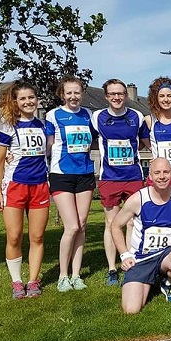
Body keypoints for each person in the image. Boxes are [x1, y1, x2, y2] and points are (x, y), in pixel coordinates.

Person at [110, 158, 171, 314]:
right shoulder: (137, 199)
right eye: (157, 173)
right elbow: (115, 225)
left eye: (166, 172)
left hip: (167, 254)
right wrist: (125, 255)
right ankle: (147, 278)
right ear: (150, 176)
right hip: (141, 258)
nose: (162, 176)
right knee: (131, 310)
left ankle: (168, 282)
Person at [90, 78, 150, 286]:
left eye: (120, 94)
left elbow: (147, 143)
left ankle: (130, 261)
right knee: (111, 223)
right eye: (112, 94)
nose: (117, 97)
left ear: (125, 95)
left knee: (133, 222)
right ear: (106, 96)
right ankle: (112, 268)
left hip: (133, 176)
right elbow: (86, 143)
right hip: (109, 177)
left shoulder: (137, 116)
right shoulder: (97, 117)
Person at [0, 80, 49, 299]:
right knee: (14, 236)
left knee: (37, 236)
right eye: (23, 98)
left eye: (31, 97)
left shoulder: (43, 125)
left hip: (39, 186)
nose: (28, 101)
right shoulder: (8, 125)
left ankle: (33, 281)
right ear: (15, 102)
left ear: (37, 99)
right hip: (14, 186)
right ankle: (17, 282)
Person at [45, 76, 97, 292]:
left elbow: (96, 140)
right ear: (62, 94)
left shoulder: (88, 115)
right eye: (69, 93)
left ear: (82, 94)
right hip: (62, 173)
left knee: (82, 225)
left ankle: (76, 275)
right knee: (72, 226)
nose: (73, 96)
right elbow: (47, 146)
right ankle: (62, 275)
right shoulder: (53, 115)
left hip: (85, 173)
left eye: (77, 92)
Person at [145, 76, 171, 191]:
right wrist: (153, 154)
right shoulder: (149, 120)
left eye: (169, 96)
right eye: (162, 96)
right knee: (155, 206)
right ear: (156, 98)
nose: (166, 99)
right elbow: (139, 142)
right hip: (158, 173)